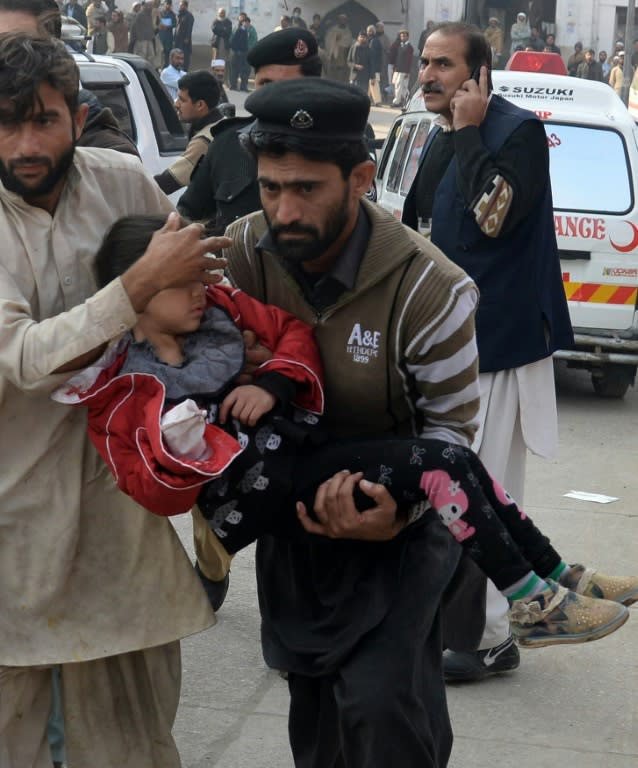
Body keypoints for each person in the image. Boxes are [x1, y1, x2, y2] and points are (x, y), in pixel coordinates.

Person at [63, 214, 635, 652]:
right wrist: (185, 443)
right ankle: (531, 600)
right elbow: (151, 486)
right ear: (133, 291)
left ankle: (557, 576)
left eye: (199, 280)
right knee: (441, 467)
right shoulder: (126, 386)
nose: (198, 293)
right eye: (179, 285)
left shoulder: (218, 312)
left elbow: (290, 333)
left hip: (298, 454)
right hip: (258, 494)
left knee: (455, 459)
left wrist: (274, 384)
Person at [217, 76, 482, 768]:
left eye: (307, 188)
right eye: (272, 187)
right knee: (317, 712)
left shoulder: (433, 288)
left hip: (405, 521)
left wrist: (395, 512)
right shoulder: (242, 254)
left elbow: (453, 442)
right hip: (298, 516)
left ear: (361, 178)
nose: (285, 209)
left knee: (383, 702)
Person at [0, 32, 226, 767]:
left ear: (76, 116)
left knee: (135, 740)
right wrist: (135, 288)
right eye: (6, 122)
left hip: (124, 520)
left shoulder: (123, 181)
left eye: (44, 120)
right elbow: (28, 359)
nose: (26, 143)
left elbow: (195, 280)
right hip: (17, 522)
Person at [403, 21, 575, 682]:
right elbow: (418, 223)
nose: (427, 75)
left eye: (443, 65)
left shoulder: (516, 132)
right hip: (446, 342)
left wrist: (472, 131)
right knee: (443, 487)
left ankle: (490, 636)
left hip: (500, 345)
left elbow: (493, 216)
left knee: (484, 488)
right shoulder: (440, 134)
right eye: (424, 62)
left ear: (479, 76)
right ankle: (454, 624)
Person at [178, 27, 322, 237]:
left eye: (286, 86)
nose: (271, 95)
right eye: (264, 84)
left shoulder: (335, 144)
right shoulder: (227, 142)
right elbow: (187, 214)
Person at [155, 69, 223, 194]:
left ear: (200, 105)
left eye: (182, 100)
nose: (176, 104)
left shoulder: (205, 140)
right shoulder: (221, 124)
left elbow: (167, 183)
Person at [324, 12, 352, 82]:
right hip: (333, 55)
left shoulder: (348, 31)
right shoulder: (333, 30)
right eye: (341, 19)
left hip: (343, 56)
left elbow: (348, 42)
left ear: (346, 21)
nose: (342, 21)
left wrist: (341, 44)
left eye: (344, 19)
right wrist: (335, 38)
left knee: (341, 73)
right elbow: (328, 40)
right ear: (338, 20)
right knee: (332, 71)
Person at [391, 29, 413, 107]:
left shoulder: (409, 47)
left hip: (404, 70)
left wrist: (407, 71)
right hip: (397, 69)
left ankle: (396, 101)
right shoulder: (399, 45)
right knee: (400, 86)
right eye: (401, 36)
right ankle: (407, 100)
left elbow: (409, 60)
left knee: (400, 86)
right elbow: (397, 58)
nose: (402, 37)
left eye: (404, 36)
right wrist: (394, 68)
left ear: (407, 37)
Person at [229, 13, 249, 91]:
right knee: (235, 70)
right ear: (242, 23)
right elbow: (234, 42)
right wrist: (237, 51)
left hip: (243, 53)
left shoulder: (245, 31)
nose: (247, 24)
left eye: (248, 22)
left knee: (243, 70)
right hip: (237, 53)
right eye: (245, 22)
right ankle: (233, 86)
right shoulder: (239, 30)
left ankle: (242, 87)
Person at [174, 0, 193, 69]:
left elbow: (189, 28)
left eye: (181, 5)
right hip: (178, 39)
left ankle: (184, 69)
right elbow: (177, 26)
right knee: (177, 54)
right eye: (180, 5)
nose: (180, 7)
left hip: (184, 39)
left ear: (185, 6)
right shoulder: (179, 15)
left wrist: (187, 38)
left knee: (185, 55)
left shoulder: (189, 16)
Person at [366, 23, 383, 105]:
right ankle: (367, 99)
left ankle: (377, 101)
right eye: (368, 31)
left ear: (373, 32)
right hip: (372, 65)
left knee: (374, 83)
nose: (368, 33)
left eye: (370, 31)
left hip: (374, 66)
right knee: (370, 84)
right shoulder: (371, 40)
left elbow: (373, 55)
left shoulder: (374, 41)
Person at [158, 0, 176, 68]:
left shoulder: (172, 14)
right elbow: (157, 22)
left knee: (168, 52)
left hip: (168, 36)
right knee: (160, 52)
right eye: (166, 4)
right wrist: (160, 25)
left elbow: (175, 24)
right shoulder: (160, 13)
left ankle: (166, 66)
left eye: (169, 4)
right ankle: (159, 66)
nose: (167, 6)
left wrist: (168, 27)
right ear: (164, 5)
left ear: (171, 5)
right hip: (161, 35)